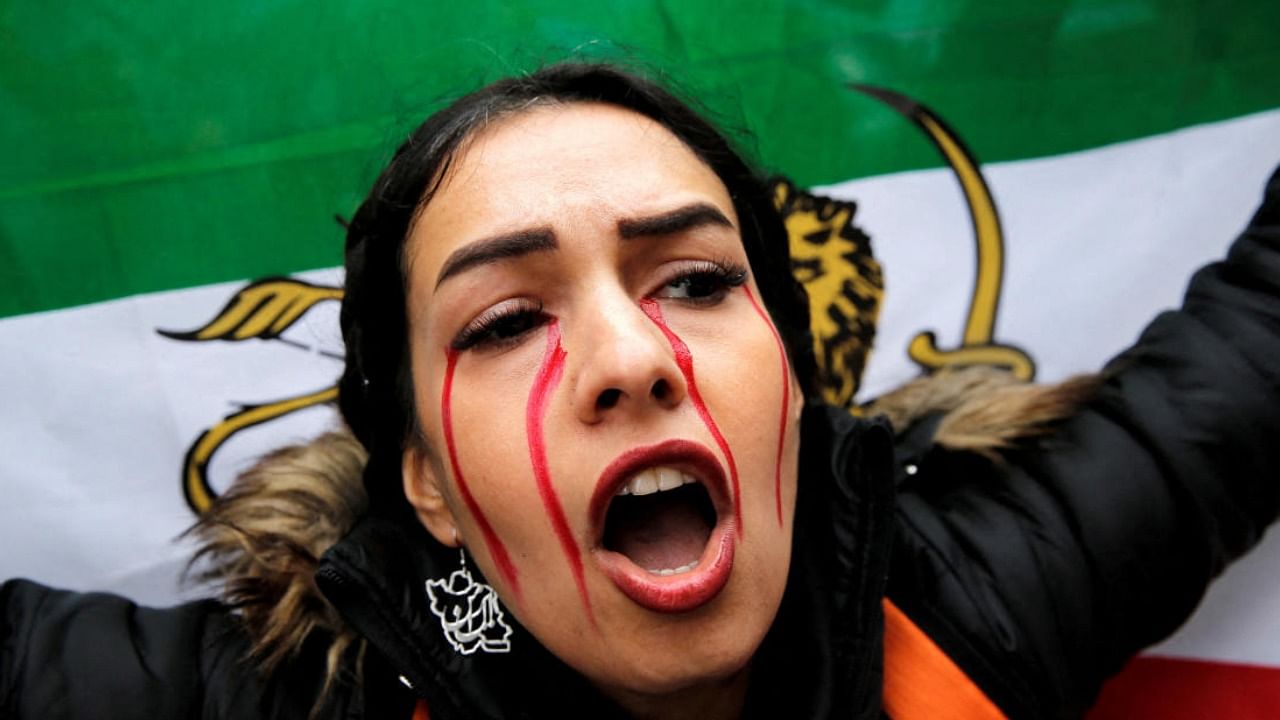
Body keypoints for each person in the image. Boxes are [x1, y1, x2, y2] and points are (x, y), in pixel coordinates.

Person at [2, 62, 1278, 720]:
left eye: (696, 282)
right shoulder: (277, 700)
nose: (628, 357)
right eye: (505, 320)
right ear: (430, 488)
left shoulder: (971, 599)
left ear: (788, 378)